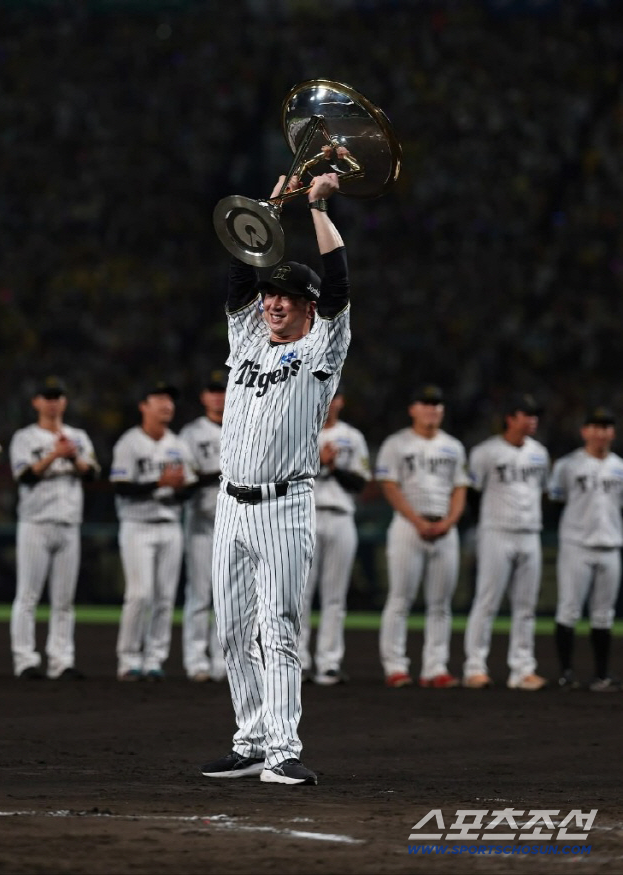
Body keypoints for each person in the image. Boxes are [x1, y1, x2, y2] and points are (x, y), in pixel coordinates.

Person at [200, 167, 349, 787]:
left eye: (286, 296)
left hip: (285, 507)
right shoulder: (247, 341)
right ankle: (251, 740)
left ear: (308, 307)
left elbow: (340, 285)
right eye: (270, 295)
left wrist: (314, 209)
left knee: (277, 629)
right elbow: (240, 272)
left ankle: (284, 748)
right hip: (230, 506)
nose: (274, 302)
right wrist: (271, 211)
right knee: (232, 632)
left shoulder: (322, 351)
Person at [375, 384, 468, 689]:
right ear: (412, 409)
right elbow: (389, 485)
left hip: (444, 528)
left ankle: (435, 667)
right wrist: (416, 520)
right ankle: (395, 666)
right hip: (407, 527)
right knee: (401, 598)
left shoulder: (453, 446)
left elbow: (459, 488)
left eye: (436, 404)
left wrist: (450, 522)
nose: (431, 409)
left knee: (441, 603)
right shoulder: (397, 443)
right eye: (425, 403)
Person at [9, 376, 100, 680]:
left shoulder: (78, 437)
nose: (52, 402)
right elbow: (24, 477)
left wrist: (72, 455)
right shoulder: (24, 437)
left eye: (57, 396)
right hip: (35, 523)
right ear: (35, 402)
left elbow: (93, 474)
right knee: (28, 595)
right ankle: (25, 660)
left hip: (69, 522)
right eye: (47, 396)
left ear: (64, 401)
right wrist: (54, 455)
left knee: (64, 600)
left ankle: (61, 660)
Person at [463, 393, 550, 690]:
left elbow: (542, 493)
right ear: (510, 418)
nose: (533, 419)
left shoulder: (539, 453)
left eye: (534, 414)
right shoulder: (486, 452)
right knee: (487, 601)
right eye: (526, 414)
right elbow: (472, 494)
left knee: (526, 606)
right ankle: (475, 667)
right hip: (496, 532)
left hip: (530, 533)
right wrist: (481, 527)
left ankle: (522, 669)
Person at [110, 383, 196, 681]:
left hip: (171, 526)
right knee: (140, 594)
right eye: (158, 398)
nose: (166, 405)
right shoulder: (129, 443)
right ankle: (128, 659)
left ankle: (155, 659)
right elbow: (121, 486)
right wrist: (159, 483)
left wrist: (180, 486)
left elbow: (188, 489)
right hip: (137, 526)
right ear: (143, 406)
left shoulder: (178, 444)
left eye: (169, 400)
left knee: (164, 598)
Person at [548, 405, 623, 692]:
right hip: (576, 545)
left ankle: (601, 675)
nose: (600, 432)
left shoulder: (619, 467)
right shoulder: (567, 465)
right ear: (584, 431)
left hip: (611, 545)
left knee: (604, 614)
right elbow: (556, 502)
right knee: (568, 609)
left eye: (606, 427)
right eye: (595, 426)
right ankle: (567, 673)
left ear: (612, 433)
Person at [299, 384, 370, 685]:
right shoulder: (299, 429)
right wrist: (318, 462)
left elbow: (360, 483)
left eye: (335, 395)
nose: (329, 400)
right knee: (299, 595)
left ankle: (329, 663)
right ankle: (297, 662)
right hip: (305, 518)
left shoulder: (353, 437)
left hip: (341, 517)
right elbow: (285, 475)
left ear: (341, 401)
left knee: (335, 596)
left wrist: (332, 466)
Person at [179, 370, 228, 683]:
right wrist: (224, 470)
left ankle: (223, 661)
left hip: (236, 521)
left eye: (221, 390)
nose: (218, 396)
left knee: (229, 596)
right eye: (212, 391)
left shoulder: (245, 421)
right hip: (202, 522)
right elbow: (188, 478)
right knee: (200, 594)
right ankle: (196, 660)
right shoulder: (191, 434)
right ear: (203, 397)